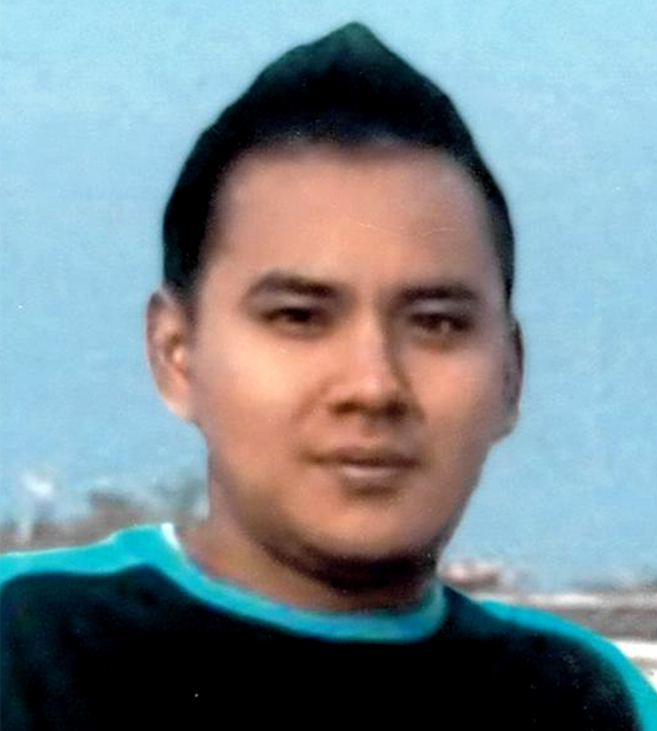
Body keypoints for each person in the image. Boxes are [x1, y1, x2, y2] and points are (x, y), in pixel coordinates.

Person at [1, 22, 655, 729]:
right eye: (299, 317)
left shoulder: (586, 700)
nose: (372, 387)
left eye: (437, 324)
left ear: (510, 375)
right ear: (176, 352)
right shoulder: (30, 650)